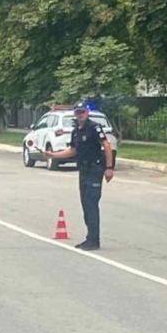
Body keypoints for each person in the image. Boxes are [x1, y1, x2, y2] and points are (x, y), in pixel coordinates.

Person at [42, 101, 114, 251]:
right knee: (85, 204)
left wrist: (109, 168)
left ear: (87, 113)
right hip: (83, 170)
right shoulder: (76, 131)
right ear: (75, 114)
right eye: (78, 112)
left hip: (95, 169)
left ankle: (94, 240)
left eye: (82, 112)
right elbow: (72, 151)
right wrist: (53, 155)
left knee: (91, 204)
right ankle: (90, 237)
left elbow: (106, 146)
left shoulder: (94, 127)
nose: (80, 115)